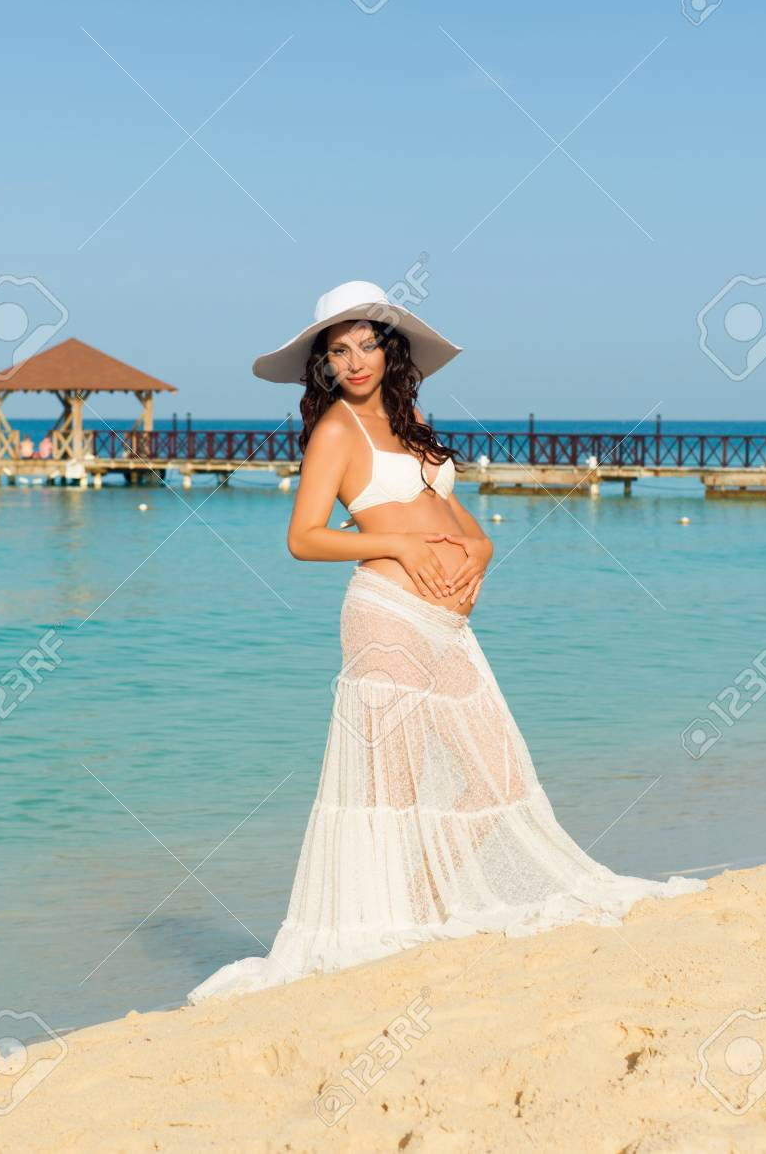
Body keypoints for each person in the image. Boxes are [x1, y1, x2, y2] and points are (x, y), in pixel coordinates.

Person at [187, 281, 704, 1003]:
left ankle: (427, 901)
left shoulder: (409, 418)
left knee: (489, 772)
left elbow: (447, 505)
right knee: (391, 786)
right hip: (386, 616)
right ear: (324, 366)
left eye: (366, 343)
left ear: (389, 349)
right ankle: (390, 919)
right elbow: (303, 537)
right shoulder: (337, 429)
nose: (354, 360)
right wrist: (397, 542)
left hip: (447, 624)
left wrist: (480, 548)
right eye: (337, 351)